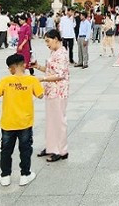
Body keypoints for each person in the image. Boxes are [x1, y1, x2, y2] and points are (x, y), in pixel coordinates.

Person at [0, 53, 43, 186]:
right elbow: (40, 95)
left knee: (6, 150)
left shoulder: (5, 81)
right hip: (25, 122)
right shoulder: (32, 80)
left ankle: (5, 176)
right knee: (25, 149)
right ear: (23, 65)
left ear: (12, 68)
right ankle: (25, 174)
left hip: (8, 122)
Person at [34, 29, 70, 161]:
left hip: (59, 91)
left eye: (48, 41)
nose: (47, 44)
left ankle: (61, 150)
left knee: (59, 121)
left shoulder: (62, 54)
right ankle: (51, 146)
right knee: (51, 120)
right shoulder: (54, 52)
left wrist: (42, 79)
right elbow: (50, 70)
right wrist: (38, 66)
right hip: (51, 90)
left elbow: (60, 75)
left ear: (56, 39)